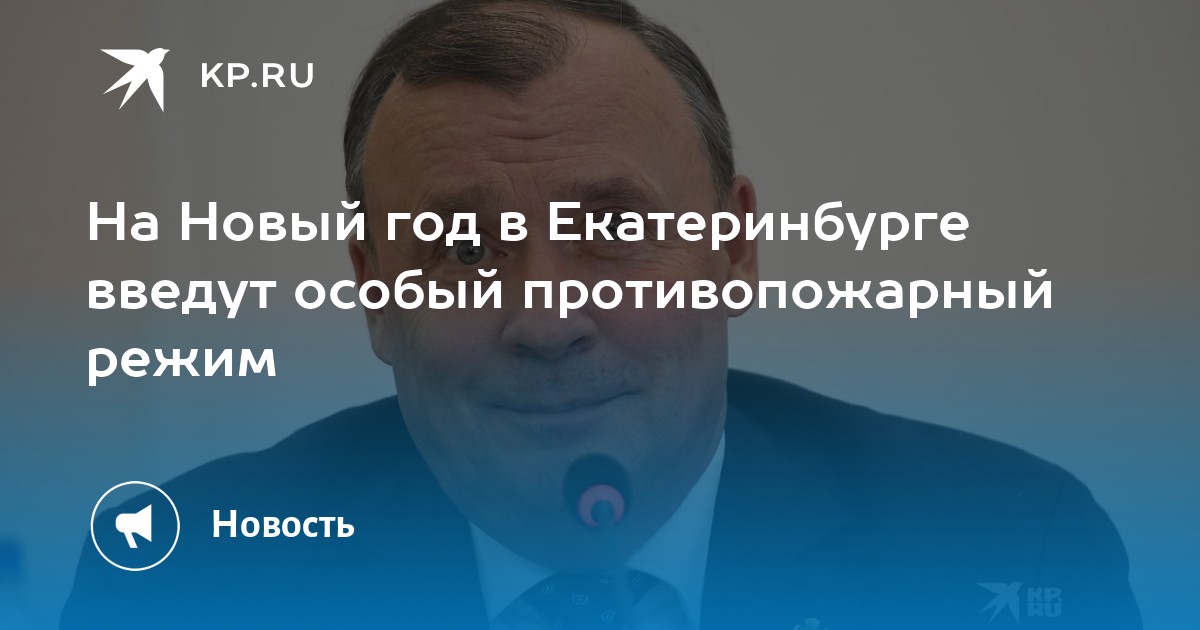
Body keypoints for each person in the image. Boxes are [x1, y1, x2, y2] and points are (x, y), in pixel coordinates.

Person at [63, 1, 1140, 628]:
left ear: (733, 249)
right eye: (462, 247)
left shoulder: (1007, 542)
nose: (547, 317)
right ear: (376, 291)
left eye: (614, 228)